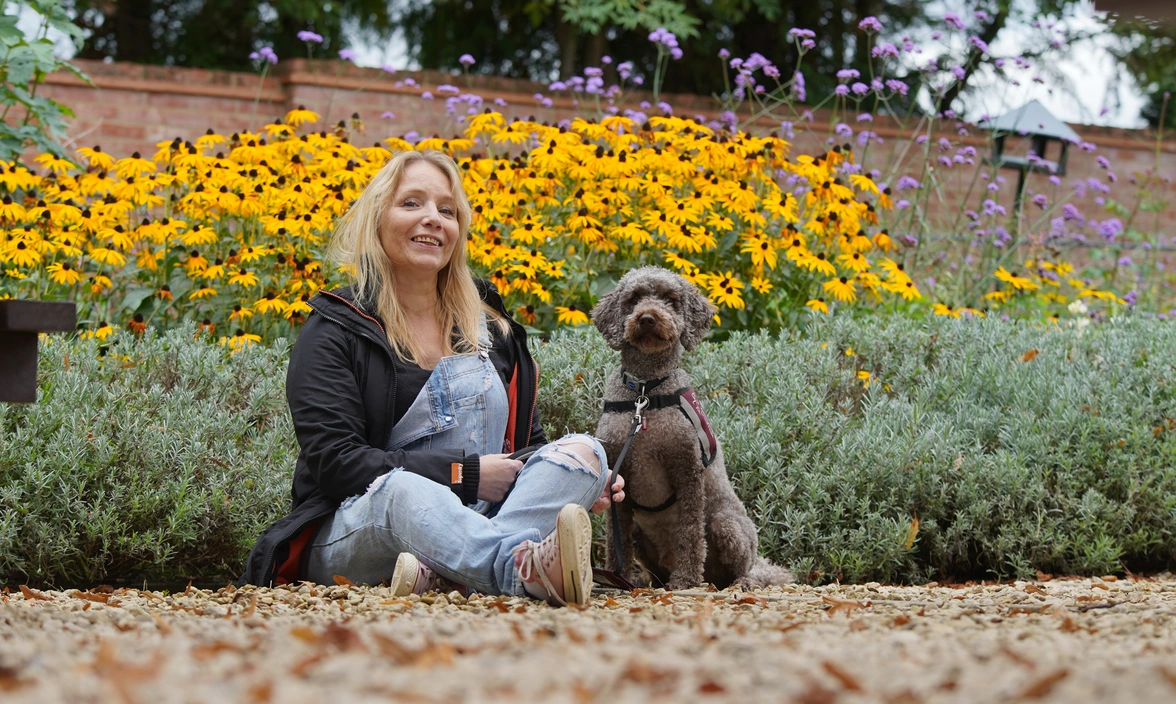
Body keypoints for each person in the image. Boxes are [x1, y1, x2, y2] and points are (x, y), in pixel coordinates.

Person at [239, 150, 624, 606]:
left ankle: (453, 572)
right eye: (411, 204)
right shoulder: (337, 326)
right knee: (401, 490)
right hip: (360, 526)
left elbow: (526, 445)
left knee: (585, 452)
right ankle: (512, 568)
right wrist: (466, 475)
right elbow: (336, 463)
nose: (432, 219)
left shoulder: (492, 328)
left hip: (483, 516)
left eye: (446, 210)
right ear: (377, 220)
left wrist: (579, 478)